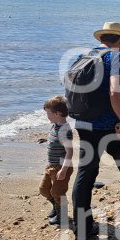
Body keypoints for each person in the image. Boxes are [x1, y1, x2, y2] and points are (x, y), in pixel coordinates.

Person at [69, 22, 120, 240]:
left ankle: (82, 229)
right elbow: (115, 92)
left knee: (86, 172)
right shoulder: (115, 58)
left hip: (84, 123)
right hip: (111, 126)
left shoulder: (80, 57)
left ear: (101, 39)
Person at [39, 96, 73, 225]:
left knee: (58, 192)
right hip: (51, 166)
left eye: (48, 113)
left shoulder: (64, 130)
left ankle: (62, 216)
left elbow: (69, 152)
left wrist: (64, 170)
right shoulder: (54, 126)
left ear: (57, 114)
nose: (46, 115)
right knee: (44, 189)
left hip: (61, 167)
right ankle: (56, 207)